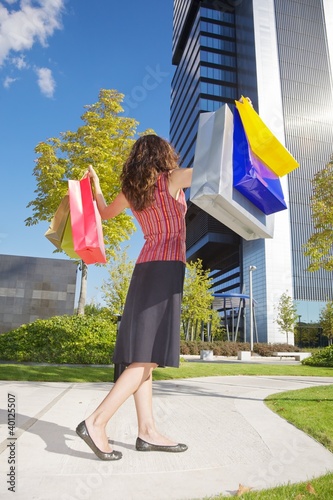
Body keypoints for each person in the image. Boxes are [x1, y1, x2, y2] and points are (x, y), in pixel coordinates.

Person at [76, 134, 193, 461]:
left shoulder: (132, 192)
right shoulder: (173, 179)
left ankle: (147, 431)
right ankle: (96, 422)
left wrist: (96, 184)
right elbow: (216, 169)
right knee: (147, 357)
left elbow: (103, 211)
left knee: (145, 353)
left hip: (144, 268)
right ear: (164, 155)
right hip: (167, 268)